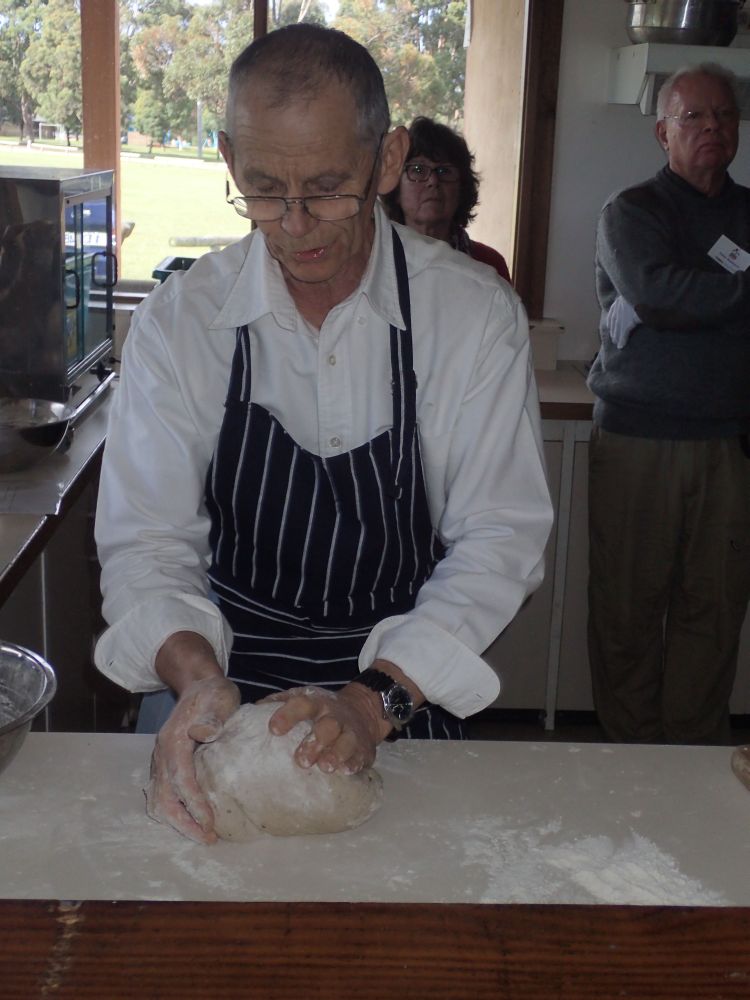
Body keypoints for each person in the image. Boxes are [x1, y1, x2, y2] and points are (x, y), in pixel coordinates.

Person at [94, 24, 552, 843]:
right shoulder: (181, 321)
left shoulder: (471, 317)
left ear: (385, 161)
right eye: (265, 188)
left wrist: (373, 702)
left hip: (398, 688)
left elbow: (498, 536)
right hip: (220, 680)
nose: (297, 224)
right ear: (230, 160)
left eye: (330, 188)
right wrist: (196, 682)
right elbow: (147, 541)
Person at [587, 63, 750, 745]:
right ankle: (628, 763)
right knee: (628, 612)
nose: (711, 127)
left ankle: (688, 763)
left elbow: (681, 301)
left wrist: (700, 302)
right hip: (638, 443)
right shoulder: (631, 212)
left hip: (730, 446)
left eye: (724, 116)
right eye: (693, 117)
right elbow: (656, 293)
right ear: (662, 132)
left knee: (710, 618)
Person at [382, 116, 511, 282]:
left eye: (444, 171)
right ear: (395, 186)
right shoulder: (376, 262)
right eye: (418, 170)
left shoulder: (490, 265)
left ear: (462, 188)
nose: (433, 181)